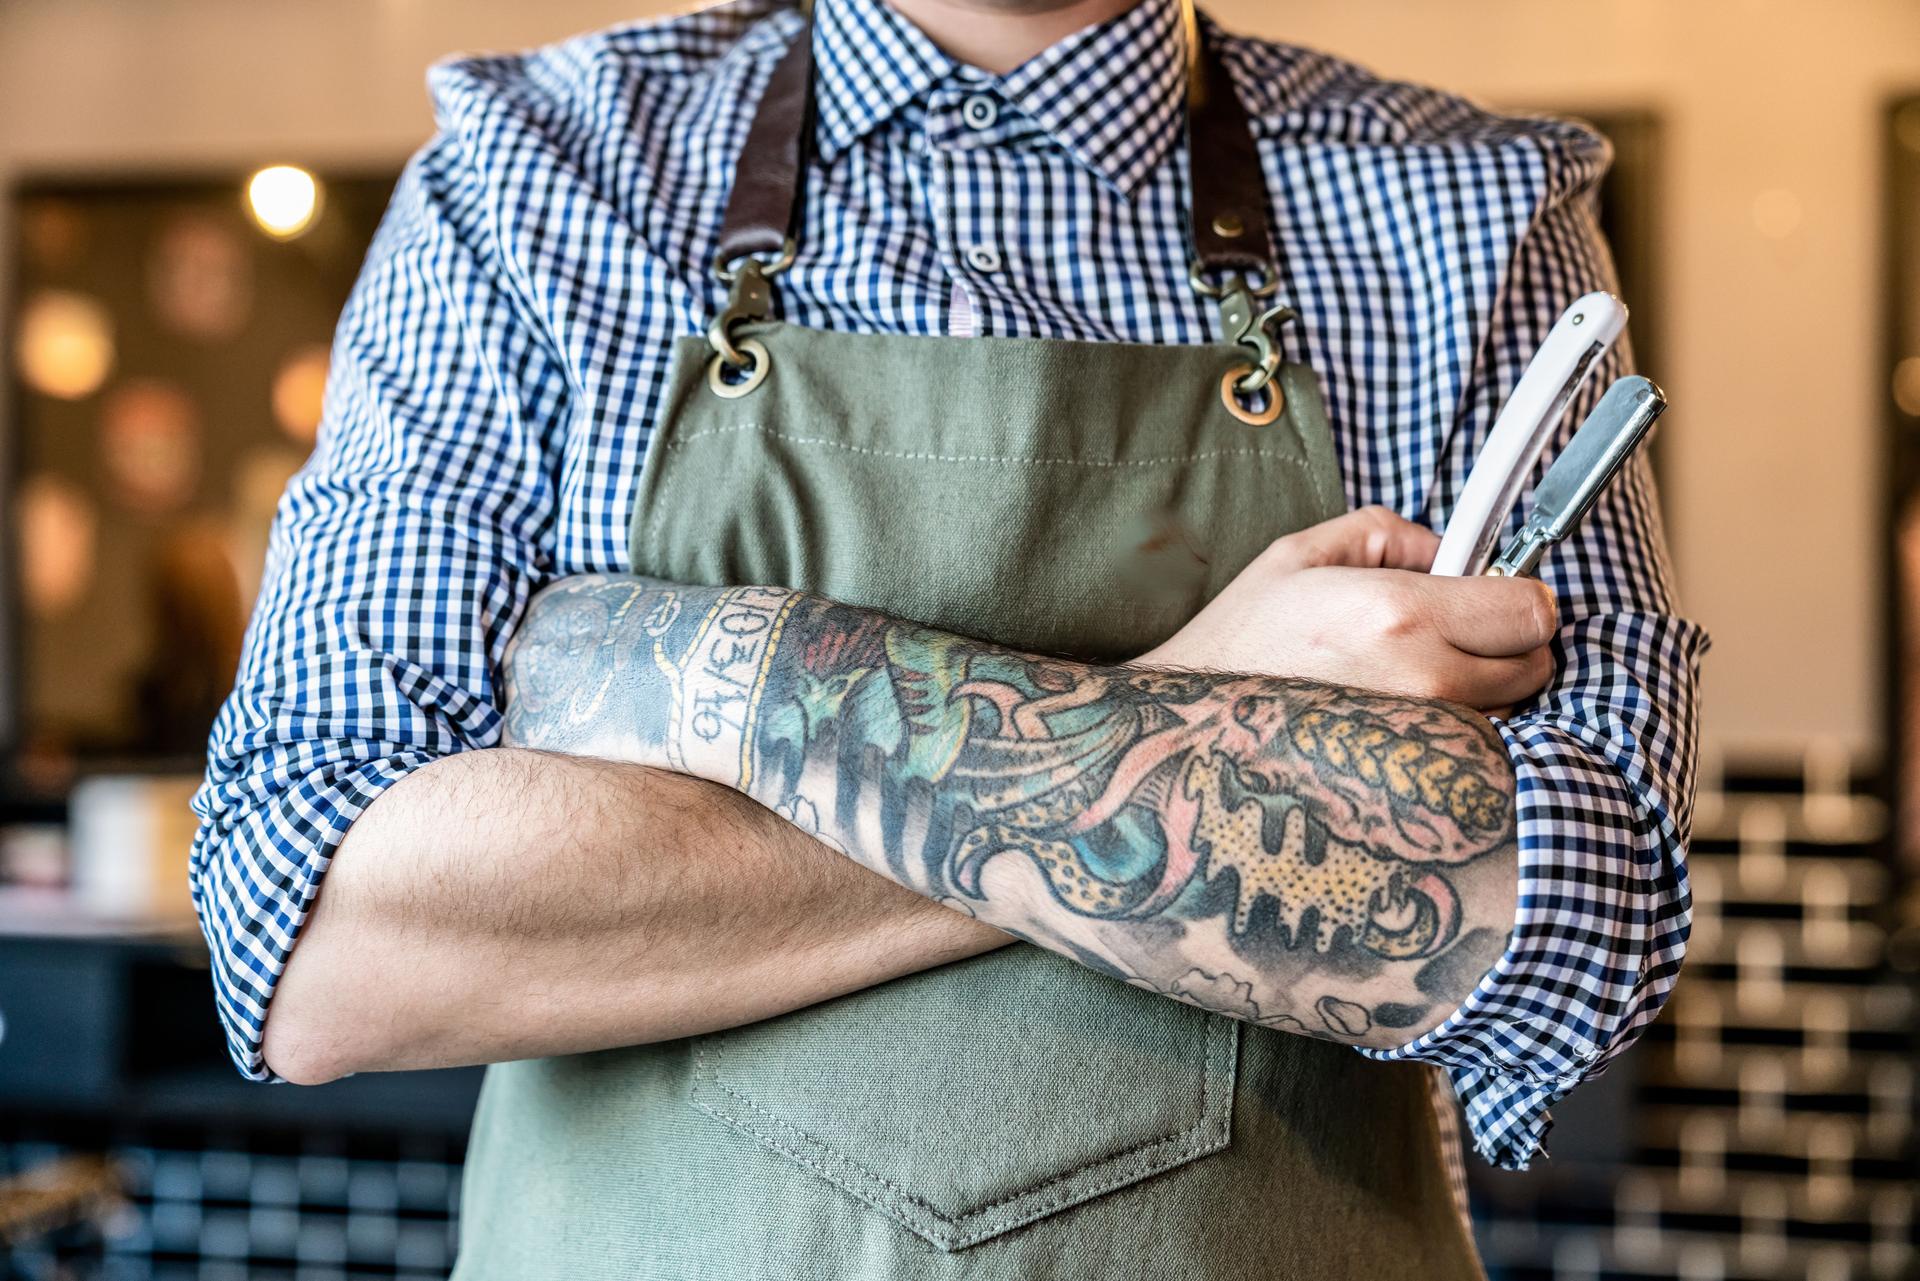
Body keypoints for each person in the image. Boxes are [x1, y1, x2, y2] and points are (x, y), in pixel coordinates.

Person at [190, 0, 1708, 1275]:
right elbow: (311, 932)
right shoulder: (539, 175)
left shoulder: (1471, 208)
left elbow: (1572, 930)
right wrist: (1208, 692)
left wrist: (708, 679)